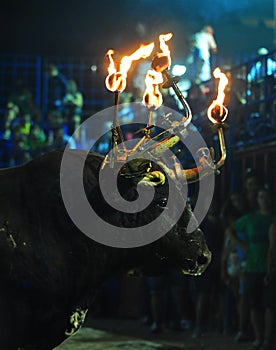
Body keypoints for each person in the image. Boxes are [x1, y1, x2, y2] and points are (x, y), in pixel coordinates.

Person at [230, 188, 274, 350]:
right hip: (252, 266)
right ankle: (258, 337)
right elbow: (230, 230)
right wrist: (242, 246)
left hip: (270, 268)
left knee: (270, 305)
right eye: (261, 196)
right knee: (255, 305)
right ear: (257, 199)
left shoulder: (273, 219)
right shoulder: (250, 218)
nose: (264, 200)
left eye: (267, 197)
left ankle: (268, 339)